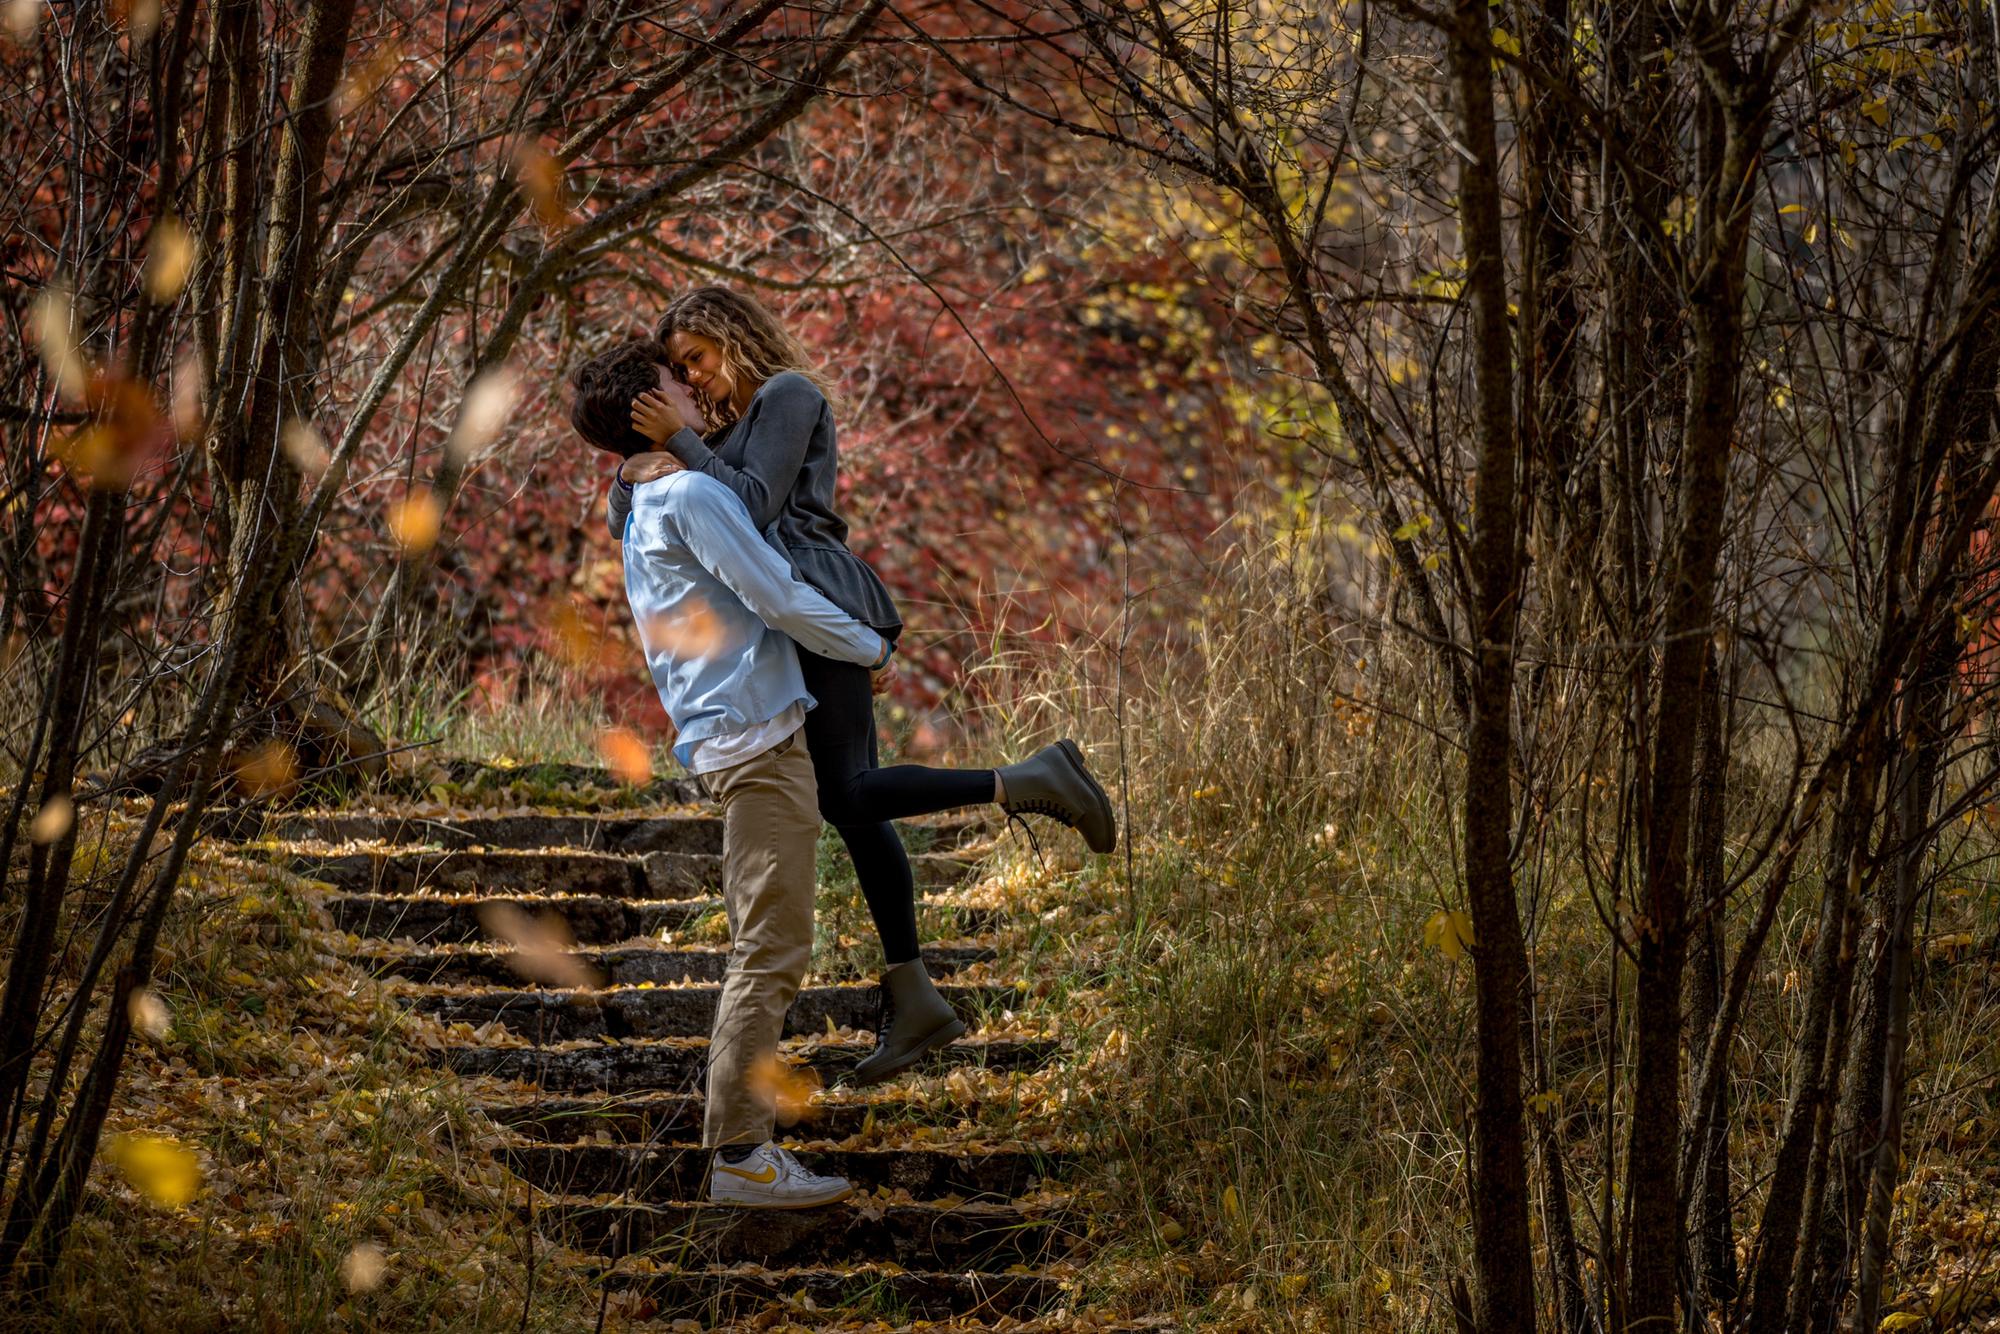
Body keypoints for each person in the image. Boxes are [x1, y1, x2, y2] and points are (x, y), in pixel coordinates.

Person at [605, 289, 1116, 1086]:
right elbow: (633, 516)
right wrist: (636, 467)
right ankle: (913, 996)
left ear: (736, 337)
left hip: (820, 600)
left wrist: (677, 443)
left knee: (846, 795)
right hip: (787, 618)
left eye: (697, 358)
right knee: (854, 806)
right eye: (677, 369)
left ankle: (1028, 781)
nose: (691, 378)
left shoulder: (787, 395)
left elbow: (750, 502)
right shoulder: (713, 431)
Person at [569, 341, 892, 1208]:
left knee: (768, 942)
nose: (695, 392)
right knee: (772, 948)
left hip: (727, 736)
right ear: (649, 404)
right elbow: (778, 594)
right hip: (756, 743)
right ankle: (741, 1157)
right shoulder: (691, 494)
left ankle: (741, 1152)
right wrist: (868, 646)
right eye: (677, 380)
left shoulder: (637, 504)